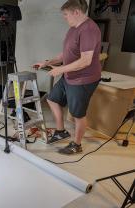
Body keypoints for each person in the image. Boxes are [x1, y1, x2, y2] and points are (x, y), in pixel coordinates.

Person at [34, 0, 101, 155]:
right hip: (69, 75)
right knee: (52, 99)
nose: (64, 17)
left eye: (66, 14)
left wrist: (60, 70)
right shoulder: (73, 28)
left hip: (83, 79)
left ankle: (76, 145)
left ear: (76, 12)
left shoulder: (89, 30)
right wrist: (47, 62)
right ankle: (61, 131)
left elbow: (86, 60)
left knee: (78, 114)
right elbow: (66, 53)